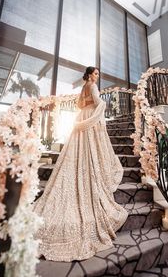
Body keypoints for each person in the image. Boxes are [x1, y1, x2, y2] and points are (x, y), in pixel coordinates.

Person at [33, 66, 128, 262]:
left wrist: (89, 107)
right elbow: (98, 102)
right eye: (95, 74)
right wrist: (100, 105)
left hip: (82, 116)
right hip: (90, 118)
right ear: (90, 75)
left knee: (81, 149)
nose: (97, 77)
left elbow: (79, 104)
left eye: (98, 74)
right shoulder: (92, 86)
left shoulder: (84, 86)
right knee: (90, 149)